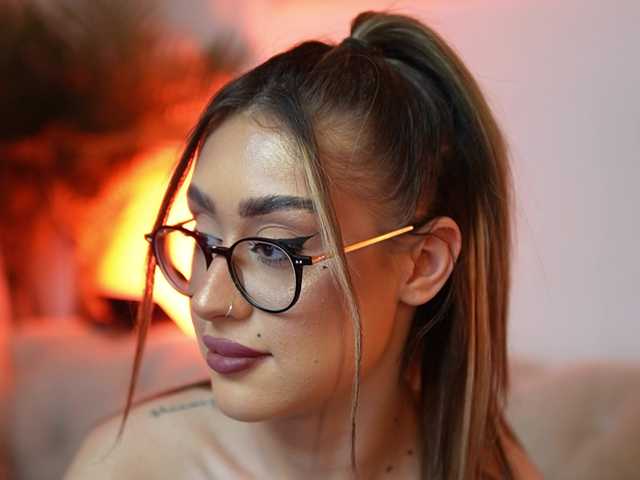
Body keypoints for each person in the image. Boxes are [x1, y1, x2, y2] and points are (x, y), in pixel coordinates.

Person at [66, 10, 543, 479]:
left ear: (423, 263)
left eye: (271, 249)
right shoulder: (127, 467)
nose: (207, 300)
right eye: (205, 238)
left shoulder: (489, 469)